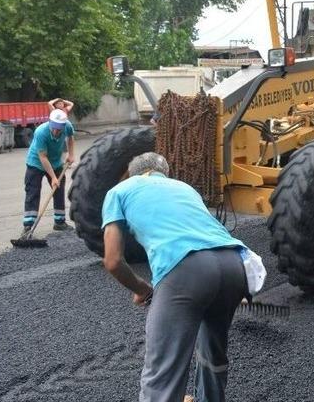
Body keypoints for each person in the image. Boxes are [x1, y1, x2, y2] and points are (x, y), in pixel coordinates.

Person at [101, 152, 256, 402]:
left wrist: (143, 289)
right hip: (234, 263)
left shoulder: (120, 191)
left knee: (162, 378)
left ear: (132, 173)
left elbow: (112, 260)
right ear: (165, 172)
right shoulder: (184, 188)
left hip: (187, 270)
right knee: (212, 355)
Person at [19, 108, 75, 238]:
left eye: (59, 129)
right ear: (50, 123)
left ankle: (60, 222)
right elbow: (43, 157)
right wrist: (54, 177)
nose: (56, 131)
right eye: (54, 128)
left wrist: (71, 154)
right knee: (32, 192)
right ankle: (28, 226)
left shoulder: (67, 126)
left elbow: (70, 138)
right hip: (36, 163)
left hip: (56, 163)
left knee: (59, 191)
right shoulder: (41, 132)